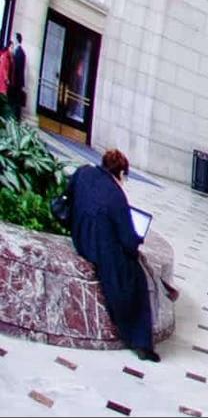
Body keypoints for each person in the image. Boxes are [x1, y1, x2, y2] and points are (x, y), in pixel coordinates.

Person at [63, 149, 159, 361]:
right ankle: (140, 341)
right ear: (122, 174)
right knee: (136, 278)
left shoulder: (84, 172)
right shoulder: (116, 196)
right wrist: (136, 244)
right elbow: (127, 240)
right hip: (99, 248)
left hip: (80, 237)